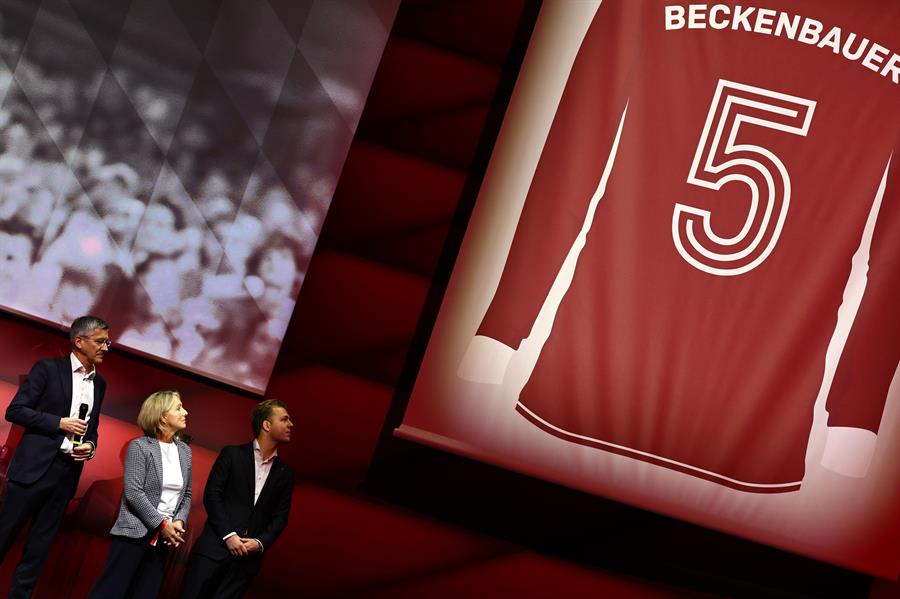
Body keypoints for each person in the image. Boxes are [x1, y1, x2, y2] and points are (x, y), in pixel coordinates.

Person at [0, 315, 110, 599]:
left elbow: (92, 431)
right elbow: (15, 411)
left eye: (107, 342)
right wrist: (58, 423)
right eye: (101, 341)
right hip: (32, 470)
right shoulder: (48, 369)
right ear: (79, 341)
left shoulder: (100, 384)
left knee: (39, 550)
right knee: (4, 535)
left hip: (65, 475)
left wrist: (90, 447)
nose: (106, 348)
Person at [180, 399, 294, 599]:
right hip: (213, 551)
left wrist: (259, 543)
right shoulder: (232, 455)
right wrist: (229, 536)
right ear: (266, 425)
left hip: (245, 564)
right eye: (284, 419)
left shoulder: (286, 473)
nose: (290, 424)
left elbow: (281, 517)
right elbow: (212, 496)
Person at [88, 390, 192, 599]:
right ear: (163, 416)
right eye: (179, 408)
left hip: (165, 539)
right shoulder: (140, 446)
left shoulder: (184, 451)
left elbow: (186, 494)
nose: (185, 412)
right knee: (110, 592)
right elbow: (134, 493)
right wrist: (162, 525)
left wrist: (178, 522)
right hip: (134, 534)